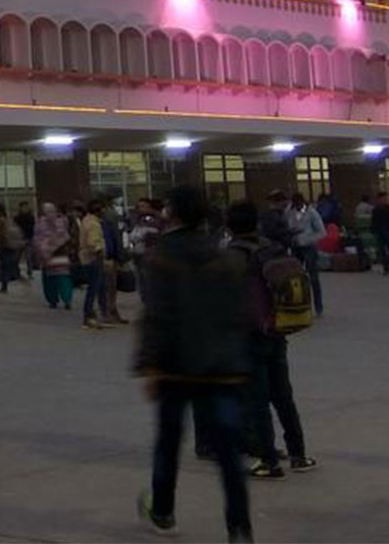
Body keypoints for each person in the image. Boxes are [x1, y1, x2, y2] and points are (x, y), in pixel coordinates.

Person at [136, 186, 253, 543]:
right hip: (223, 367)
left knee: (168, 443)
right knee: (229, 454)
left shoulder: (159, 259)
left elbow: (156, 316)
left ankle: (163, 511)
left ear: (171, 212)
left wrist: (150, 366)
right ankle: (239, 528)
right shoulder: (229, 259)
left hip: (176, 367)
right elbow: (238, 314)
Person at [224, 203, 315, 481]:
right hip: (277, 331)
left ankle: (268, 460)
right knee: (283, 396)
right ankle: (299, 455)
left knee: (257, 400)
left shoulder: (233, 256)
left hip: (250, 334)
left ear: (229, 225)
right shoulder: (271, 247)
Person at [286, 194, 325, 316]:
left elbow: (322, 232)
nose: (296, 206)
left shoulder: (311, 213)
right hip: (295, 246)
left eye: (298, 204)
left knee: (313, 277)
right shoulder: (289, 212)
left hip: (309, 247)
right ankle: (300, 306)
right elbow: (287, 226)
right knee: (296, 278)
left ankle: (318, 306)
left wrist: (308, 239)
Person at [33, 204, 74, 310]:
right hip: (61, 256)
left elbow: (37, 240)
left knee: (50, 281)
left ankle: (53, 300)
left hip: (48, 258)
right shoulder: (61, 221)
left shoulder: (40, 223)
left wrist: (43, 251)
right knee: (64, 279)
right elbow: (66, 237)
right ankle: (67, 300)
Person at [76, 201, 107, 330]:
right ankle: (89, 316)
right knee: (94, 288)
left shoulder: (86, 220)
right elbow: (93, 243)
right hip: (93, 258)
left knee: (96, 287)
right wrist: (101, 253)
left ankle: (93, 314)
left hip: (85, 258)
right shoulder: (94, 224)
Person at [100, 201, 128, 324]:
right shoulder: (111, 218)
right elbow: (116, 238)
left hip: (106, 256)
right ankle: (109, 312)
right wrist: (120, 256)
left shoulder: (101, 219)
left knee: (109, 287)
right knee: (110, 287)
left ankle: (110, 311)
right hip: (109, 257)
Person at [371, 195, 389, 275]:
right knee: (382, 250)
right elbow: (374, 221)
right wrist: (374, 230)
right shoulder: (376, 210)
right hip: (381, 232)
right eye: (382, 199)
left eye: (385, 199)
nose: (384, 201)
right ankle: (386, 266)